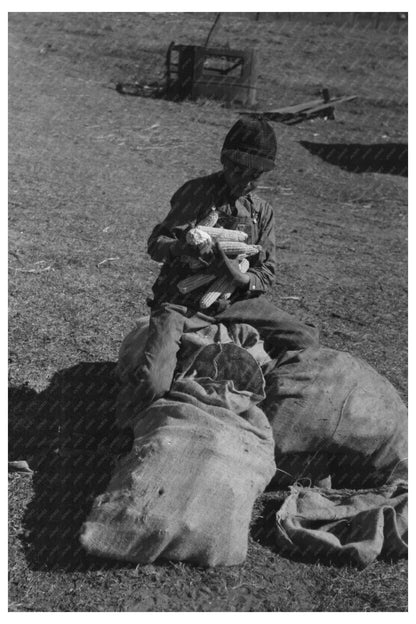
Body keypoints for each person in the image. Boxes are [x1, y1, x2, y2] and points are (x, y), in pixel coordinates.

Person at [117, 118, 319, 425]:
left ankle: (274, 409)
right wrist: (185, 246)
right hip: (180, 301)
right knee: (154, 382)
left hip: (234, 301)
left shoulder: (262, 212)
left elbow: (267, 273)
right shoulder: (196, 192)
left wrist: (238, 276)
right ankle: (120, 431)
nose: (244, 179)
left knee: (305, 337)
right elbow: (156, 244)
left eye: (255, 175)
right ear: (224, 159)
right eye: (238, 169)